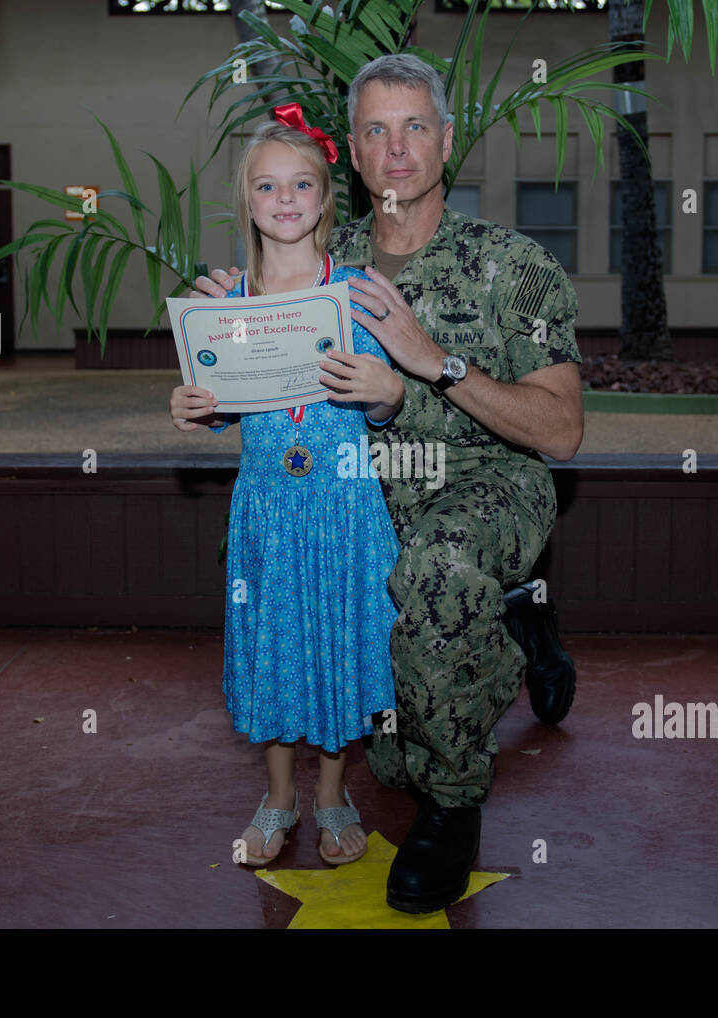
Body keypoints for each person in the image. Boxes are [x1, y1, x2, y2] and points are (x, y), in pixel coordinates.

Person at [197, 54, 584, 915]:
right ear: (353, 156)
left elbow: (561, 432)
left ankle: (452, 807)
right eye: (376, 129)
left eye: (415, 127)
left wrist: (435, 365)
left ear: (447, 141)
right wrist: (226, 319)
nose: (397, 148)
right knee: (388, 750)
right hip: (356, 504)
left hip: (481, 484)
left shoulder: (509, 265)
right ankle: (519, 621)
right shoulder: (315, 263)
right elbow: (250, 356)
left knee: (437, 578)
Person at [168, 109, 405, 867]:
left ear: (327, 198)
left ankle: (333, 798)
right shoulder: (224, 302)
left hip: (344, 503)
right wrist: (194, 406)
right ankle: (276, 800)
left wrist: (384, 391)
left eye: (302, 183)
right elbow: (216, 406)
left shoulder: (360, 293)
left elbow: (387, 399)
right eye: (267, 185)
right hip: (268, 509)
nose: (286, 197)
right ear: (248, 201)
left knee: (339, 648)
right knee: (274, 650)